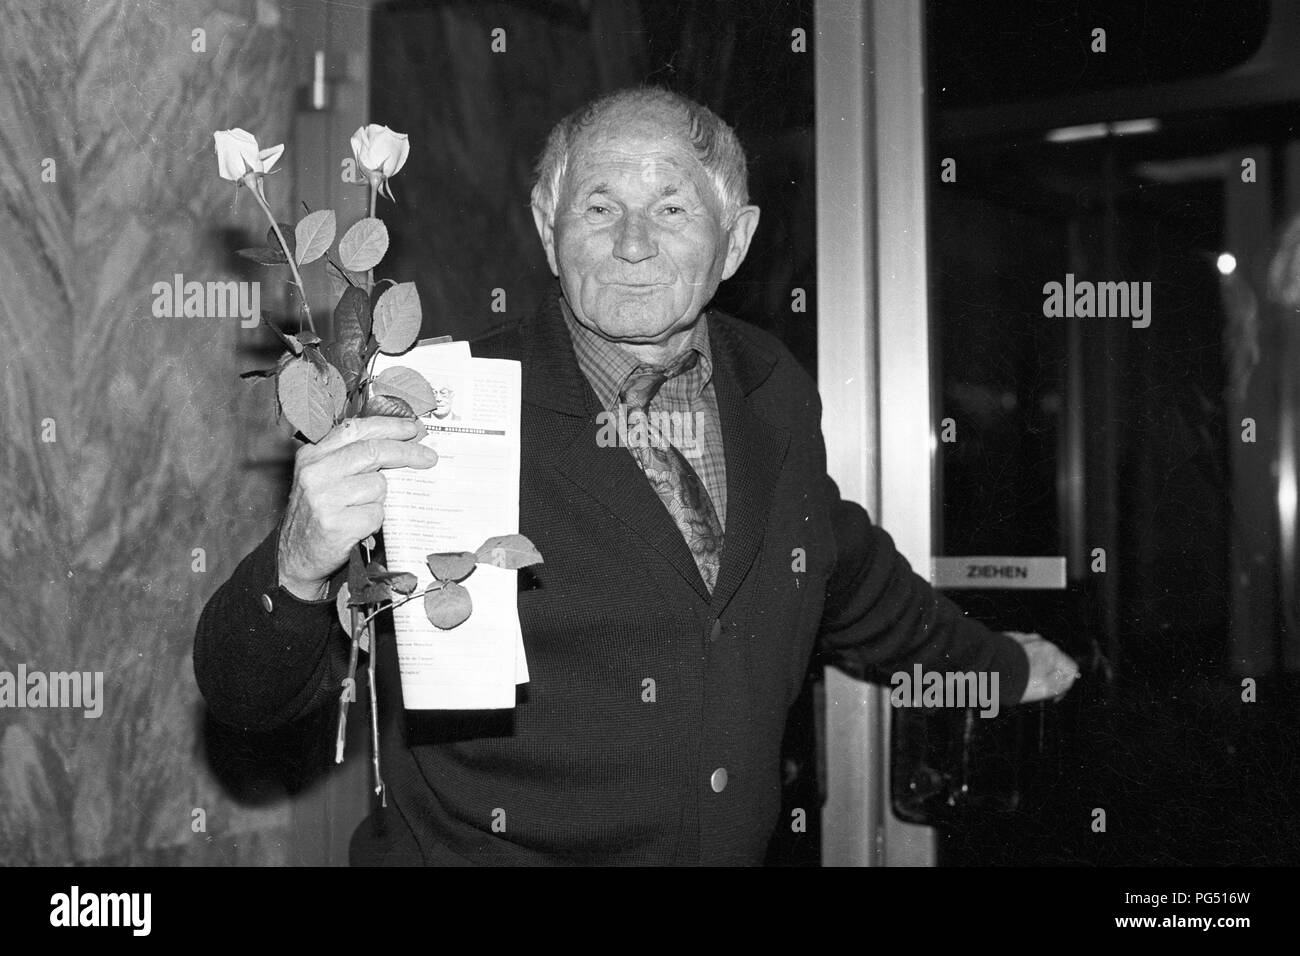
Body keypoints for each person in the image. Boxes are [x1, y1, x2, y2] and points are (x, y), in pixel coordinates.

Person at [194, 87, 1078, 865]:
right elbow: (247, 697)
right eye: (599, 207)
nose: (631, 245)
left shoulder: (770, 391)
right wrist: (298, 565)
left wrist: (992, 667)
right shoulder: (442, 405)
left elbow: (844, 571)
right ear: (548, 229)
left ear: (736, 241)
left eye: (671, 209)